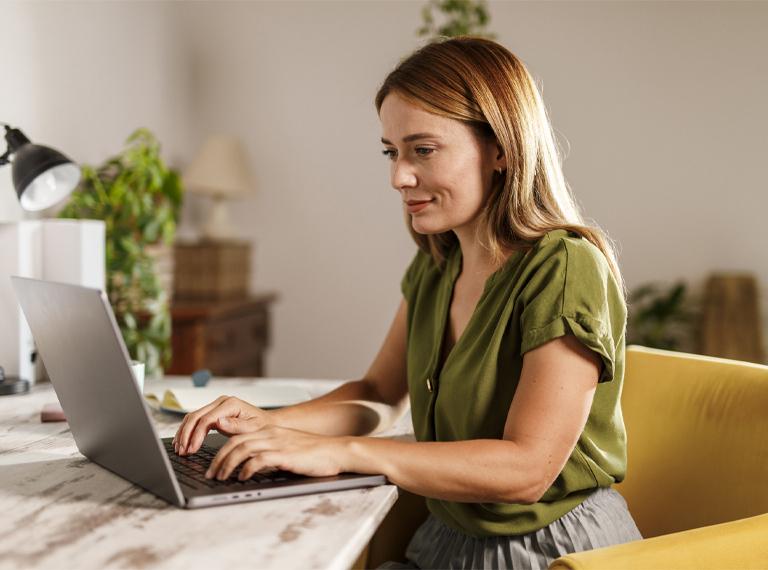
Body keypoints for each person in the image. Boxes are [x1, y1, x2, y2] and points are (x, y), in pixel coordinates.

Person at [173, 36, 642, 568]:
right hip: (445, 537)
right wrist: (269, 425)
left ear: (501, 149)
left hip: (550, 551)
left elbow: (528, 470)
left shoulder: (564, 266)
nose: (399, 176)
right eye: (391, 152)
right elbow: (378, 392)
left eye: (423, 149)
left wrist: (340, 452)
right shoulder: (437, 263)